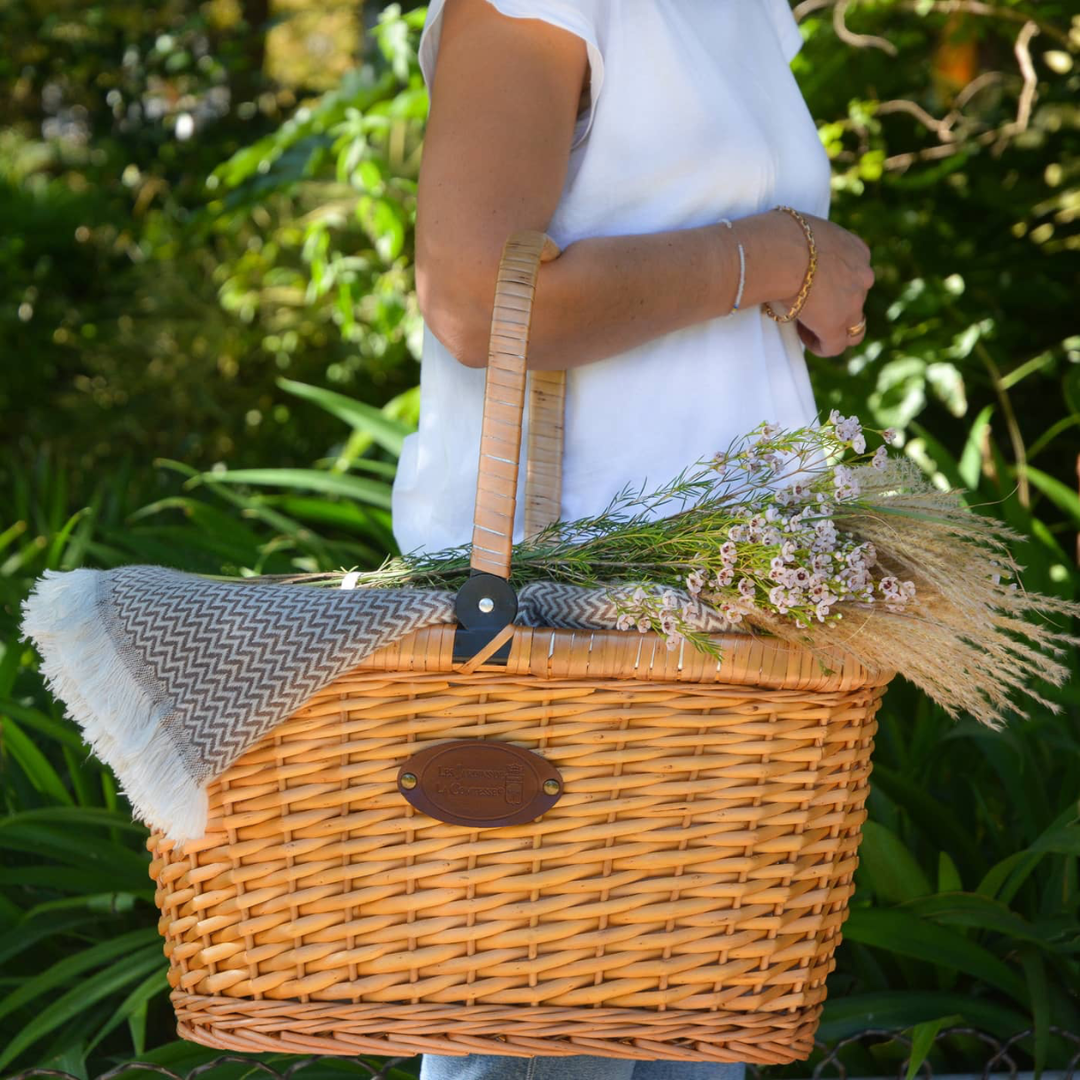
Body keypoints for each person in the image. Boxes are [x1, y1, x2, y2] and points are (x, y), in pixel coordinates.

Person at [389, 0, 876, 1076]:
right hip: (574, 631)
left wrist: (785, 285)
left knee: (684, 1040)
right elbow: (475, 298)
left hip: (718, 650)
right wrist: (771, 256)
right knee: (545, 1037)